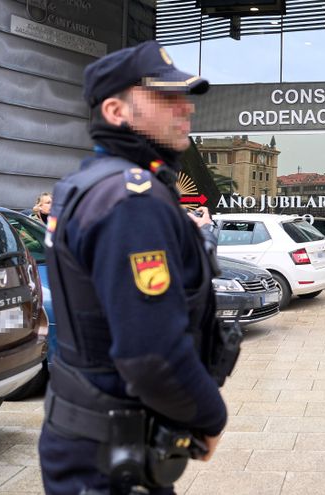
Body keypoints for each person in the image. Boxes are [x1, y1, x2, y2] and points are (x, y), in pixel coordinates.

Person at [39, 41, 227, 495]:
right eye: (166, 97)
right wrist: (208, 415)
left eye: (186, 97)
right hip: (109, 457)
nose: (186, 109)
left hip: (95, 440)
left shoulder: (88, 184)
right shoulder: (130, 200)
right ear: (116, 111)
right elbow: (150, 354)